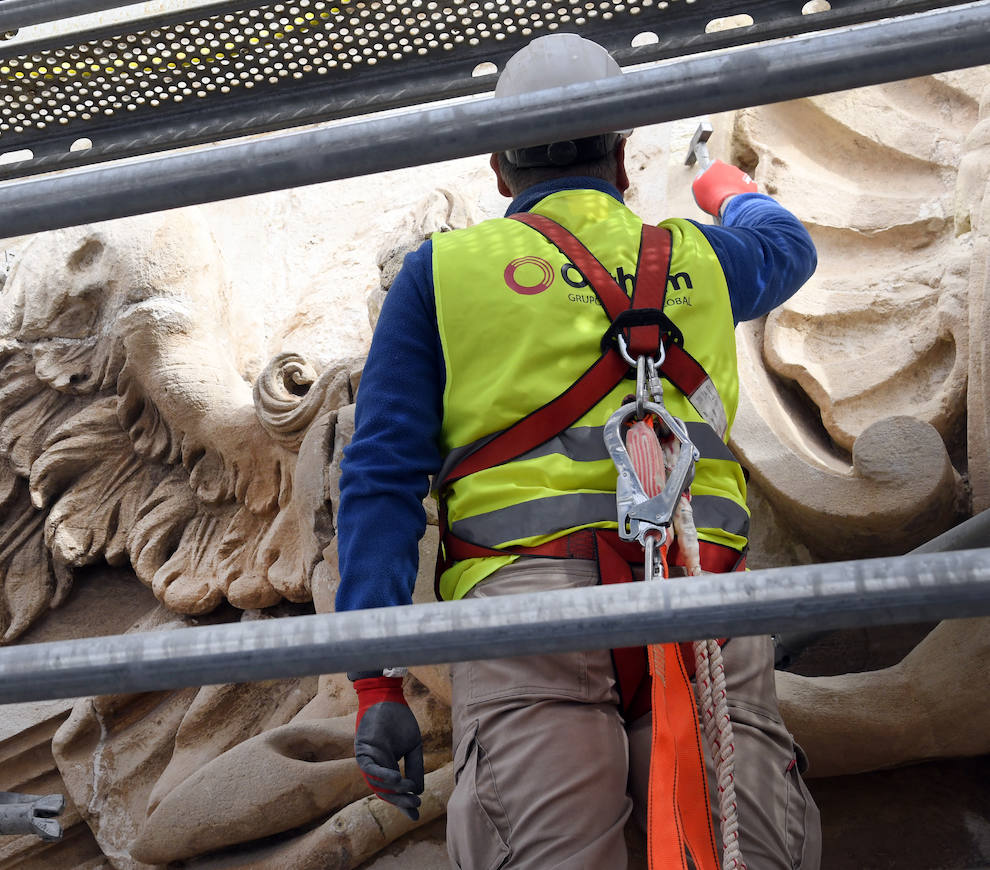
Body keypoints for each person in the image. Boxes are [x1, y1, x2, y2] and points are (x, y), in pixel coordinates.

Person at [335, 33, 822, 870]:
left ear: (499, 169)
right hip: (698, 604)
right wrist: (721, 184)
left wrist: (374, 684)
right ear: (624, 156)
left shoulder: (442, 273)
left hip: (531, 620)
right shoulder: (699, 257)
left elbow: (380, 479)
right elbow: (788, 245)